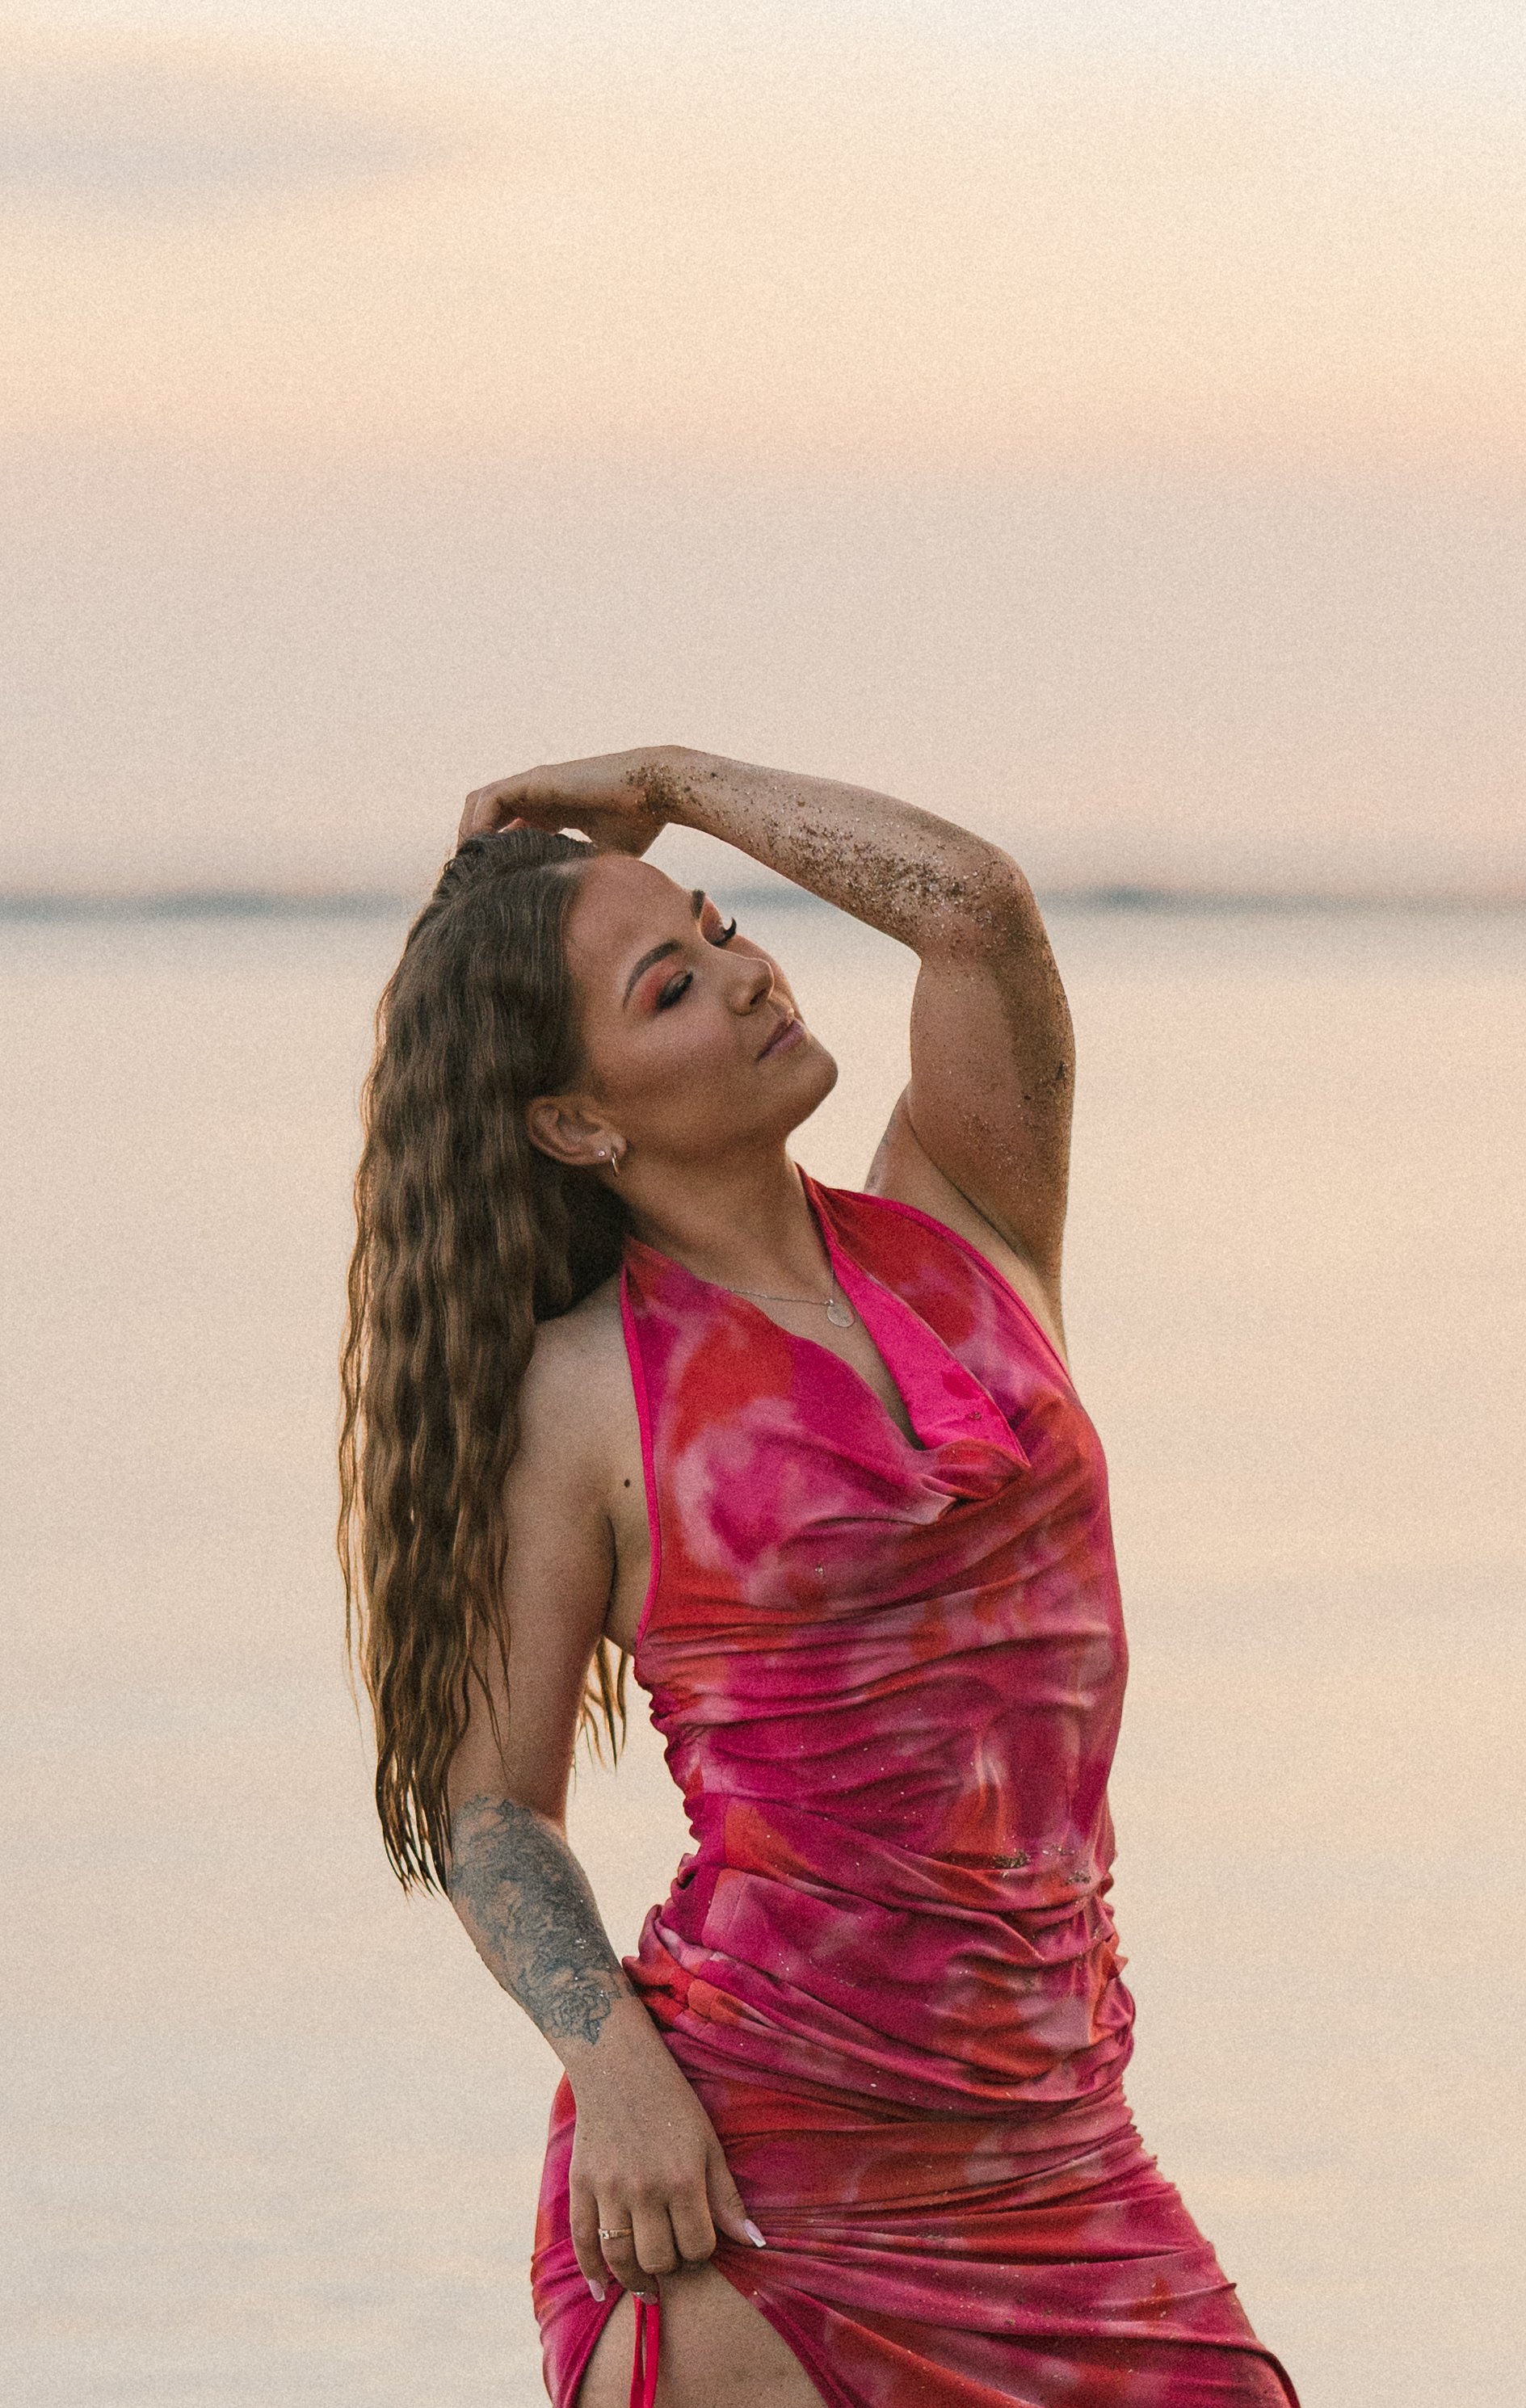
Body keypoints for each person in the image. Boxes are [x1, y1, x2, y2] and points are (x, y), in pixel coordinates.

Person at [338, 746, 1300, 2408]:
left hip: (1060, 2143)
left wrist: (672, 783)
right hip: (751, 2167)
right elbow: (491, 1809)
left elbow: (976, 918)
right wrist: (619, 2076)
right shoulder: (579, 1400)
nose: (746, 973)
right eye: (671, 988)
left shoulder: (972, 1229)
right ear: (575, 1118)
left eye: (722, 932)